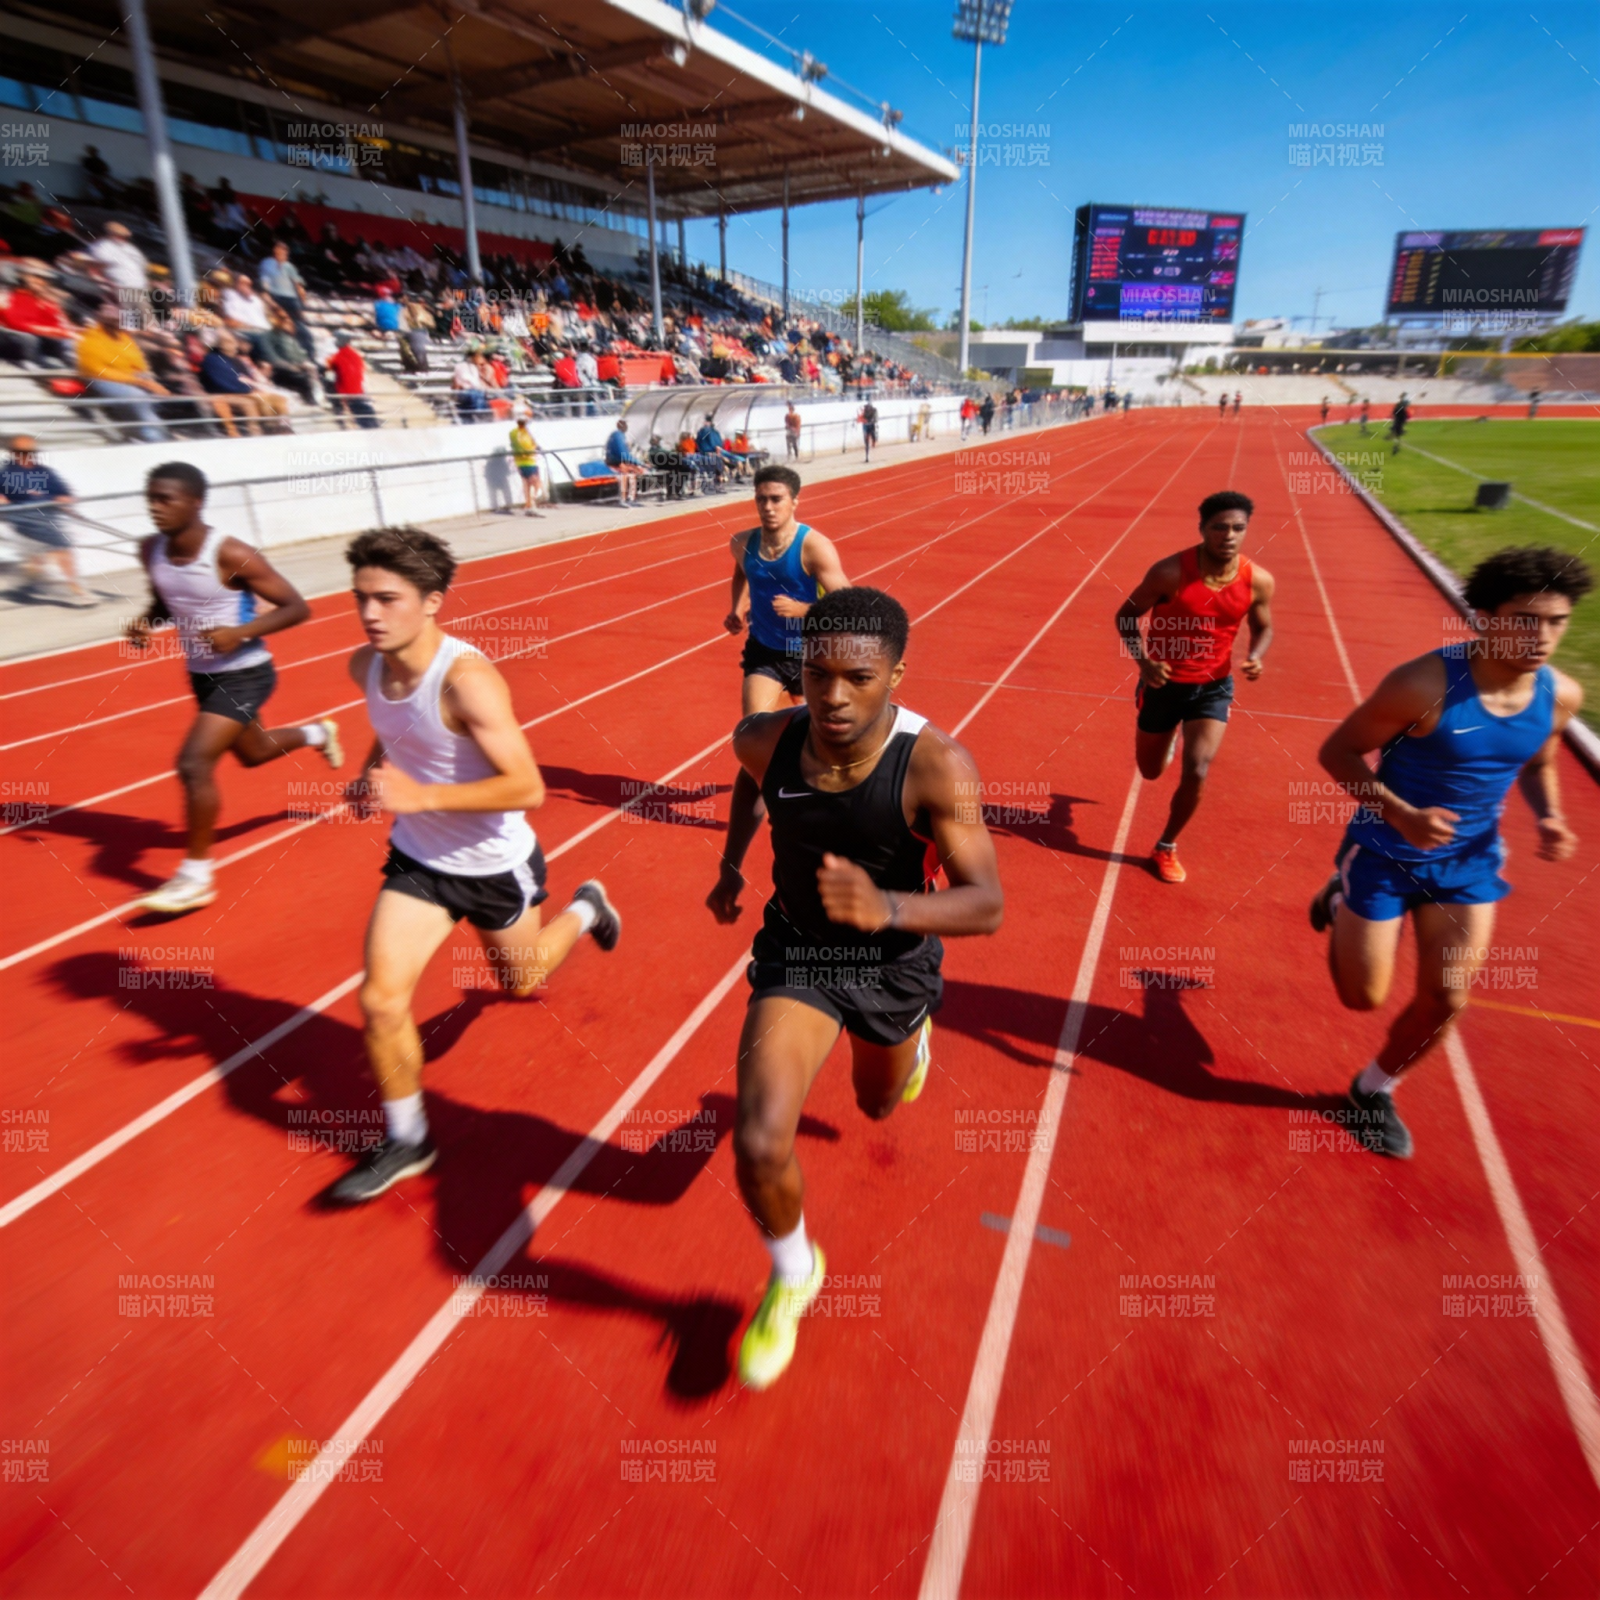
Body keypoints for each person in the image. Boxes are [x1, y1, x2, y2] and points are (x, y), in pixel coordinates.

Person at [726, 586, 1004, 1388]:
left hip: (891, 965)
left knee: (876, 1106)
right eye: (816, 675)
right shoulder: (764, 737)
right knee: (759, 1138)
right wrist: (729, 862)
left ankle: (911, 1044)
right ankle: (792, 1272)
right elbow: (751, 780)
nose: (834, 696)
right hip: (799, 954)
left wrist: (888, 906)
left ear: (897, 675)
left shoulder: (938, 766)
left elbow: (985, 902)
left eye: (859, 677)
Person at [328, 526, 620, 1202]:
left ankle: (586, 908)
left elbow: (528, 788)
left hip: (494, 865)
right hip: (419, 861)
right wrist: (374, 769)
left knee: (523, 981)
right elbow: (392, 722)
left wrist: (419, 792)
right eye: (360, 597)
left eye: (387, 599)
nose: (370, 614)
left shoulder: (467, 682)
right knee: (379, 999)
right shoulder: (363, 665)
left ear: (431, 602)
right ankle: (409, 1139)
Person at [1309, 546, 1590, 1159]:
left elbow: (1540, 761)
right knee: (1362, 997)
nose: (1540, 636)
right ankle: (1341, 897)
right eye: (1523, 619)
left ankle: (1372, 1090)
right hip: (1385, 852)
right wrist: (1401, 813)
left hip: (1468, 866)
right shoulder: (1424, 684)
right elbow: (1337, 752)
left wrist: (1549, 816)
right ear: (1486, 617)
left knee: (1448, 998)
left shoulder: (1562, 694)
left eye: (1555, 622)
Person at [124, 462, 341, 915]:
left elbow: (297, 607)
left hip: (247, 671)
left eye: (166, 499)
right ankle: (318, 733)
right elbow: (169, 596)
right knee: (254, 753)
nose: (155, 508)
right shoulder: (150, 550)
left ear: (195, 502)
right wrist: (148, 622)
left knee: (193, 763)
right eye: (151, 498)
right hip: (201, 674)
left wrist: (239, 633)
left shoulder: (230, 554)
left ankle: (195, 878)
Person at [708, 464, 850, 924]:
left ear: (794, 502)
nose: (768, 508)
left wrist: (806, 608)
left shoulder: (814, 546)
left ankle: (825, 833)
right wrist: (736, 608)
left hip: (812, 658)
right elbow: (741, 573)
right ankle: (736, 860)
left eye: (776, 500)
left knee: (822, 752)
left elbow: (848, 602)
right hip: (766, 654)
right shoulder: (742, 542)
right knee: (754, 743)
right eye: (761, 499)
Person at [1115, 490, 1275, 884]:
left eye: (1238, 528)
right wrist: (1144, 662)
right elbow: (1125, 616)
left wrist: (1257, 654)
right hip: (1164, 684)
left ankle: (1166, 846)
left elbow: (1264, 626)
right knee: (1150, 772)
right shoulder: (1169, 572)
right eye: (1219, 527)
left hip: (1214, 687)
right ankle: (1164, 734)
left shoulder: (1259, 580)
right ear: (1202, 529)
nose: (1229, 535)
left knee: (1199, 769)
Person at [0, 435, 92, 605]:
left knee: (42, 554)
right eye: (21, 452)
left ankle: (32, 576)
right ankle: (77, 589)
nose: (27, 456)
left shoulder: (44, 472)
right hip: (24, 519)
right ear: (13, 453)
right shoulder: (5, 473)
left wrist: (64, 499)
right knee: (62, 546)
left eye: (31, 452)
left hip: (47, 517)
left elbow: (64, 492)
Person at [76, 299, 170, 443]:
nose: (116, 322)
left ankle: (147, 432)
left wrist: (148, 379)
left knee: (164, 393)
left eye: (118, 319)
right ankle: (153, 437)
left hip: (130, 377)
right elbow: (98, 370)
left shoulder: (124, 338)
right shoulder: (90, 338)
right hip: (99, 379)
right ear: (102, 319)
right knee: (138, 396)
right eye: (112, 319)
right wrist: (141, 382)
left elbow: (139, 361)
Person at [258, 240, 314, 359]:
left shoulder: (289, 266)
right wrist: (267, 295)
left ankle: (308, 354)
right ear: (275, 251)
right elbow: (265, 282)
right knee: (283, 325)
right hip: (276, 297)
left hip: (291, 299)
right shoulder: (266, 263)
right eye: (280, 250)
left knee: (300, 328)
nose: (283, 254)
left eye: (285, 252)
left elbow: (298, 284)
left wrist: (302, 302)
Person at [326, 333, 379, 429]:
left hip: (346, 392)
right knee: (366, 415)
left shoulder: (335, 358)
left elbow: (330, 374)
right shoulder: (356, 356)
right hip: (359, 391)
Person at [604, 418, 646, 506]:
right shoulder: (618, 436)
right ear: (620, 426)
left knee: (633, 472)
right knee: (626, 473)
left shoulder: (619, 435)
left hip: (618, 461)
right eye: (624, 424)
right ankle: (623, 499)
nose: (626, 427)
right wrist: (640, 463)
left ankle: (630, 498)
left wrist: (637, 463)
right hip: (615, 462)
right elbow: (623, 455)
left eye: (626, 425)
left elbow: (625, 455)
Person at [509, 416, 544, 516]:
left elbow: (514, 445)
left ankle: (528, 503)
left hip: (519, 461)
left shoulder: (513, 433)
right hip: (529, 460)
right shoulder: (525, 433)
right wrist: (536, 447)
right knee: (536, 482)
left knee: (526, 483)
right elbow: (527, 445)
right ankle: (532, 504)